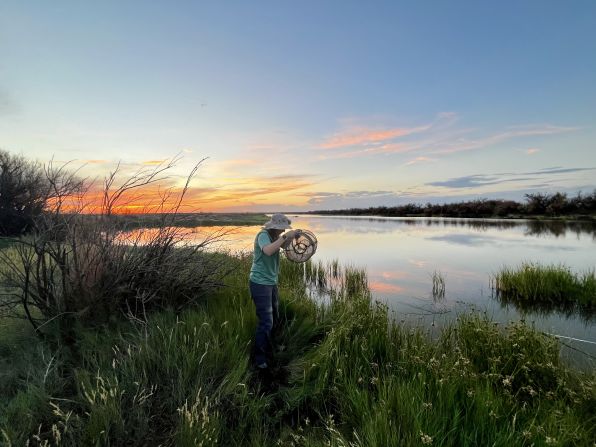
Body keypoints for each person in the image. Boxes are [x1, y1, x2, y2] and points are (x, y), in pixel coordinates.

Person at [249, 213, 299, 371]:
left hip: (271, 283)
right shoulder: (263, 235)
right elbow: (268, 251)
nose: (283, 230)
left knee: (275, 316)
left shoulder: (277, 237)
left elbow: (283, 246)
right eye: (281, 228)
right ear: (274, 227)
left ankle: (272, 346)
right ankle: (259, 358)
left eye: (284, 228)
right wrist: (285, 237)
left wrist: (292, 237)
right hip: (259, 283)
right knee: (266, 321)